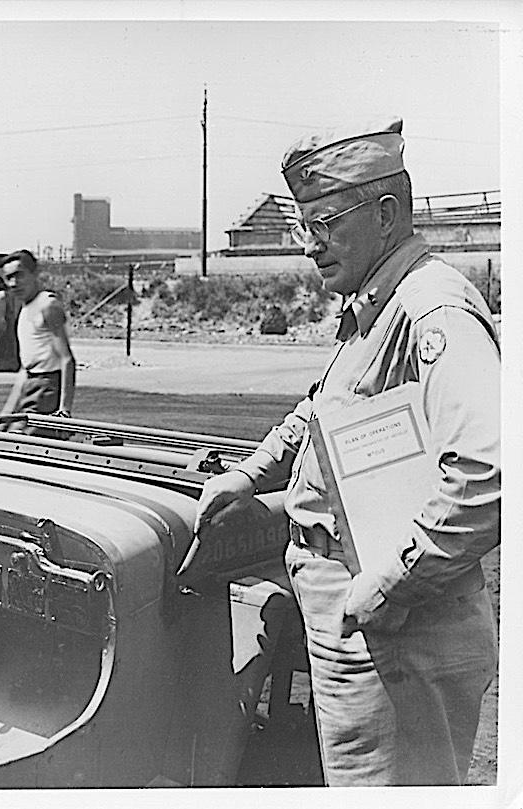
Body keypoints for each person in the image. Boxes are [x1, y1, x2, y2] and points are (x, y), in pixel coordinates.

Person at [193, 118, 500, 786]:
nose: (309, 245)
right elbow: (321, 412)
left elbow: (489, 471)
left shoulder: (431, 309)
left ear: (387, 213)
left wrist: (393, 582)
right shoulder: (376, 305)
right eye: (305, 224)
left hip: (399, 630)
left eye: (325, 222)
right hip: (364, 620)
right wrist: (250, 475)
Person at [0, 249, 76, 434]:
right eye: (9, 278)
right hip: (30, 386)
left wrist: (64, 411)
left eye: (19, 275)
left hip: (47, 388)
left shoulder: (48, 305)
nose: (14, 283)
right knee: (0, 436)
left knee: (19, 444)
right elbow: (26, 369)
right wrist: (5, 415)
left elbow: (67, 359)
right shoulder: (25, 310)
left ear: (34, 274)